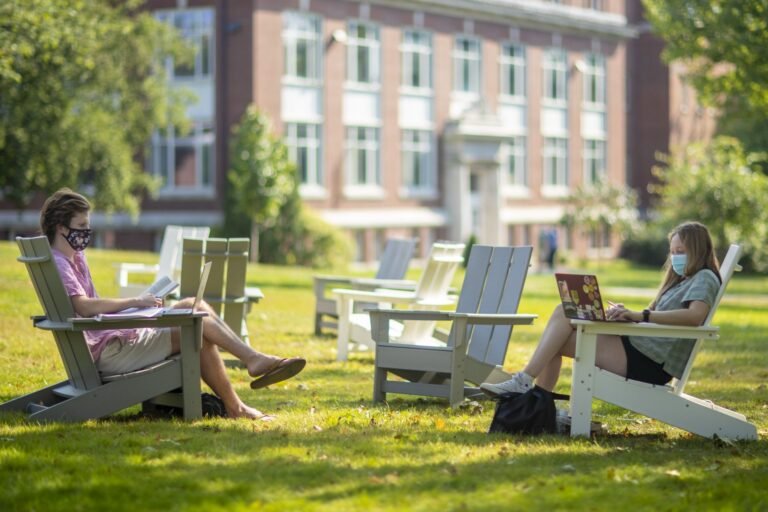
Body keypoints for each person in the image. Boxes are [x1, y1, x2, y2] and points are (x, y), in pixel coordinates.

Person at [40, 188, 306, 420]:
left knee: (191, 307)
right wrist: (135, 301)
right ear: (62, 228)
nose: (87, 232)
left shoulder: (73, 258)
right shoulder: (62, 264)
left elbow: (86, 309)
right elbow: (85, 307)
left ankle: (245, 380)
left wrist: (140, 308)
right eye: (82, 225)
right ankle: (246, 379)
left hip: (111, 342)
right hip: (111, 353)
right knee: (195, 324)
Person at [480, 221, 721, 398]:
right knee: (563, 311)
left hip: (649, 362)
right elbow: (656, 317)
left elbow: (695, 316)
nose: (675, 257)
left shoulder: (705, 277)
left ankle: (527, 388)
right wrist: (627, 316)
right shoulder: (681, 281)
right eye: (673, 251)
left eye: (681, 252)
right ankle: (531, 393)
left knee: (555, 339)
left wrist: (641, 316)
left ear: (698, 250)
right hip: (638, 347)